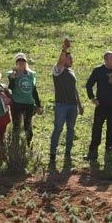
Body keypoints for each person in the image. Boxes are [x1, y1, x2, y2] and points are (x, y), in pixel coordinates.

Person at [49, 38, 84, 167]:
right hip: (61, 105)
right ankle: (53, 153)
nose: (72, 60)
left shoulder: (71, 72)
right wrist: (64, 49)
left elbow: (74, 89)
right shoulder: (58, 70)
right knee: (58, 128)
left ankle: (68, 152)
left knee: (71, 129)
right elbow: (60, 61)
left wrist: (79, 104)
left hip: (72, 105)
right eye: (69, 59)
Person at [85, 51, 112, 162]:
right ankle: (93, 151)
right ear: (106, 60)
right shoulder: (98, 70)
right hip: (101, 104)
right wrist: (92, 98)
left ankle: (109, 148)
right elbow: (89, 85)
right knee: (97, 127)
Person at [7, 52, 41, 145]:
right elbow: (10, 89)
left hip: (29, 103)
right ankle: (15, 145)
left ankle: (29, 145)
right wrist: (13, 78)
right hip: (16, 103)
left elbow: (34, 90)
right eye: (19, 60)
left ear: (26, 62)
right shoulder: (11, 74)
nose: (21, 62)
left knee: (28, 125)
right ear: (16, 63)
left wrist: (38, 105)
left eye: (23, 60)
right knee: (16, 125)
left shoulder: (31, 75)